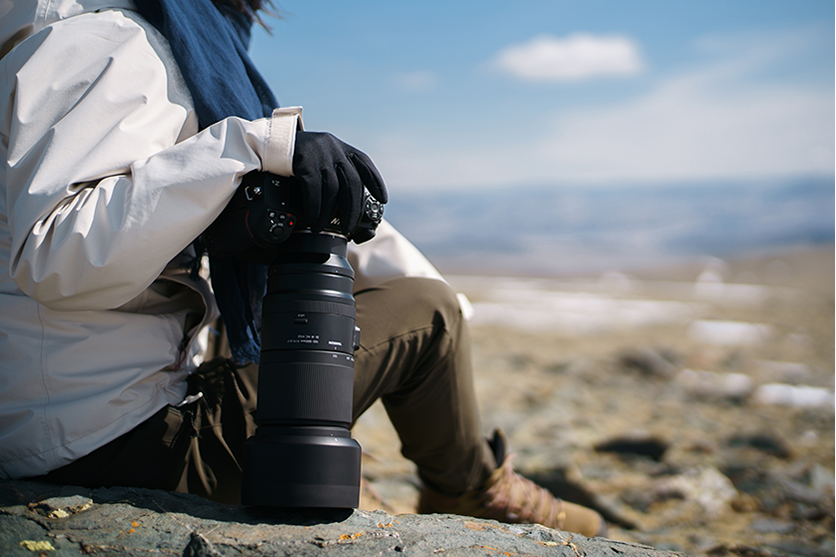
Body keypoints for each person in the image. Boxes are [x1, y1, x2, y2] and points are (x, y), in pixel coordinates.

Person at [0, 0, 606, 537]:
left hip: (68, 426)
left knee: (409, 307)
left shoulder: (141, 37)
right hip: (114, 450)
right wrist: (248, 149)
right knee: (431, 317)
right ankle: (473, 491)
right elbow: (57, 256)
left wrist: (293, 174)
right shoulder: (107, 38)